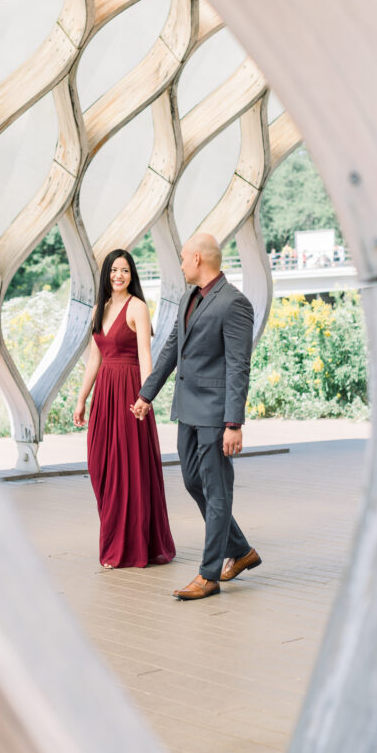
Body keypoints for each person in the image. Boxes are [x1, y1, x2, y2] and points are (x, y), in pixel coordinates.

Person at [131, 233, 261, 600]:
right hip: (187, 410)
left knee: (217, 491)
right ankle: (240, 549)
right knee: (192, 482)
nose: (182, 264)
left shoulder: (235, 304)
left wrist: (233, 423)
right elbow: (174, 347)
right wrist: (146, 394)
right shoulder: (189, 297)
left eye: (185, 258)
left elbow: (239, 367)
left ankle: (209, 575)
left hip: (216, 414)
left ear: (199, 259)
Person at [73, 248, 175, 569]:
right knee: (100, 464)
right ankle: (117, 537)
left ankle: (126, 547)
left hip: (130, 393)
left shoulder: (138, 307)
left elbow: (146, 354)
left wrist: (146, 397)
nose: (119, 275)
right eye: (115, 270)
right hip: (105, 394)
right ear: (107, 274)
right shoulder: (98, 309)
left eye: (126, 271)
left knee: (127, 469)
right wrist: (81, 398)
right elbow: (94, 358)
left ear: (132, 276)